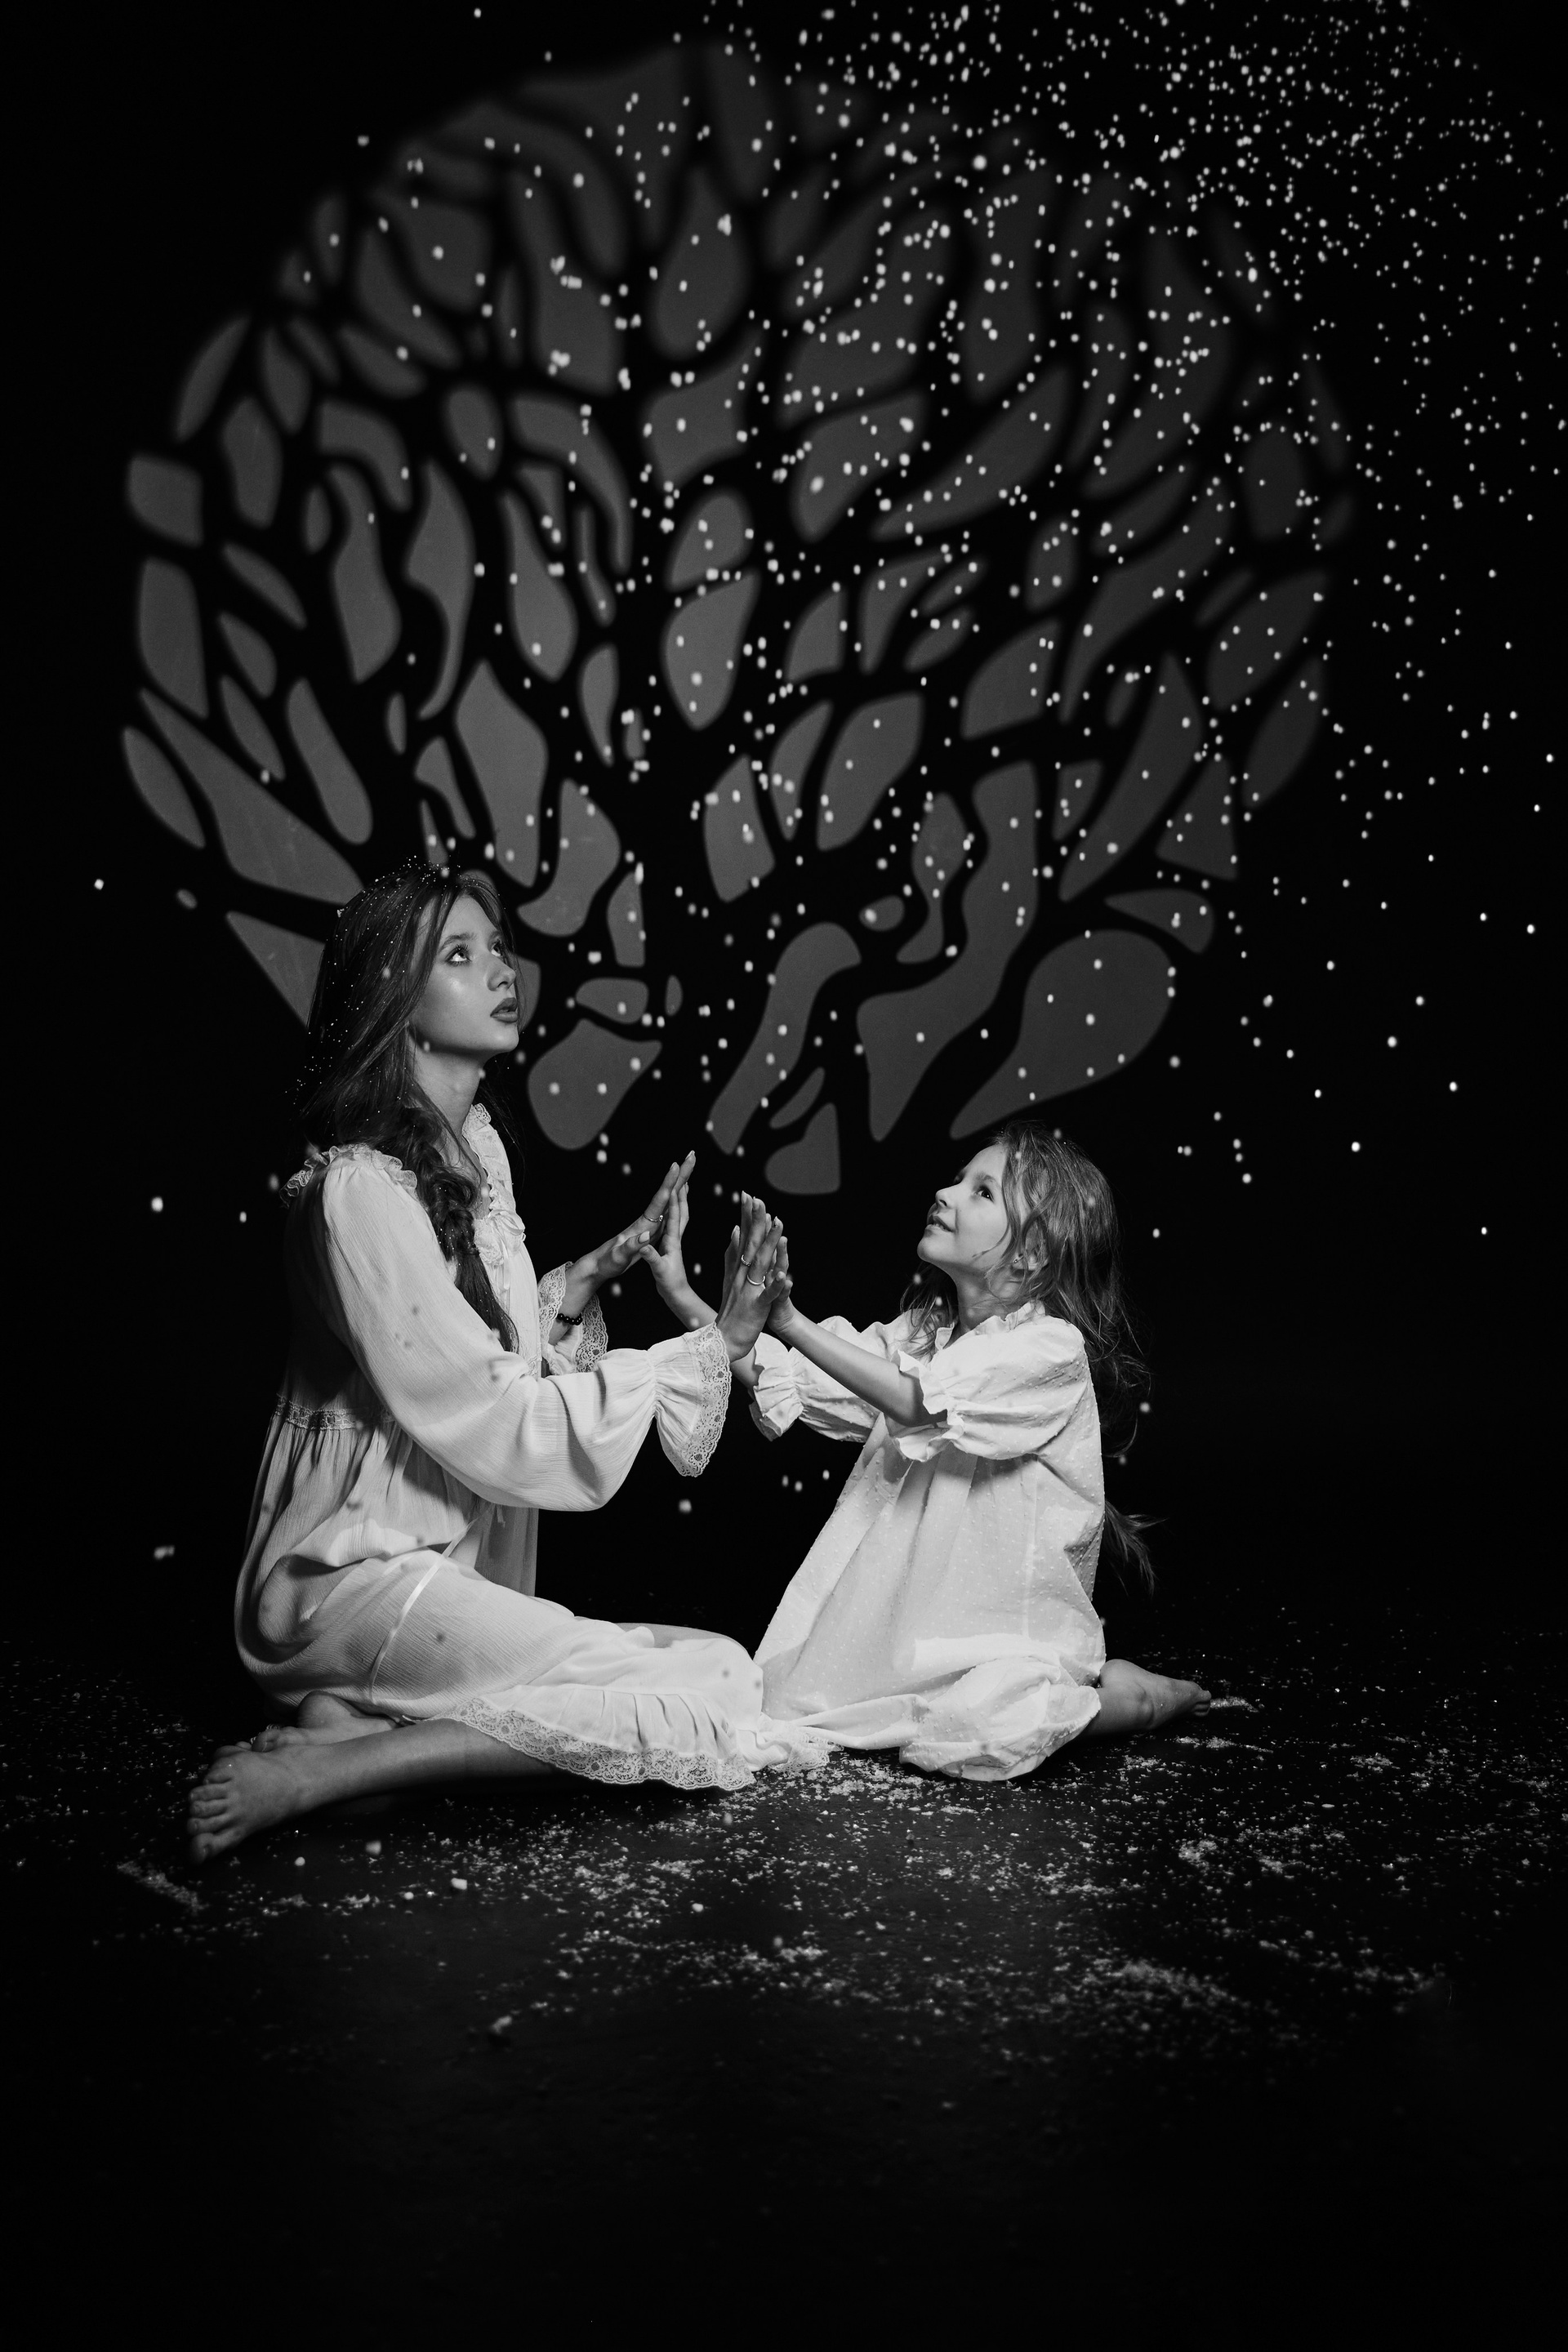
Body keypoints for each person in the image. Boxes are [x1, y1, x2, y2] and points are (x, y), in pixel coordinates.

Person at [186, 863, 803, 1863]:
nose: (502, 972)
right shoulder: (355, 1193)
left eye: (498, 949)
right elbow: (495, 1422)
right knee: (718, 1696)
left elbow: (473, 1355)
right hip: (352, 1582)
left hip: (446, 1573)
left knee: (713, 1669)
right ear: (397, 998)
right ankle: (328, 1770)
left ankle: (354, 1728)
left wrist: (583, 1282)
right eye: (459, 956)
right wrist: (709, 1350)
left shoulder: (475, 1150)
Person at [646, 1124, 1209, 1782]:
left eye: (982, 1191)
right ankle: (924, 1691)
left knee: (986, 1729)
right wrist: (684, 1294)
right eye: (958, 1179)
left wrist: (789, 1318)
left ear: (1032, 1253)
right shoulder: (922, 1336)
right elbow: (788, 1377)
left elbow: (917, 1403)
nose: (947, 1193)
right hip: (915, 1632)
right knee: (790, 1700)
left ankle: (1135, 1697)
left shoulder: (1049, 1350)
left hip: (1007, 1639)